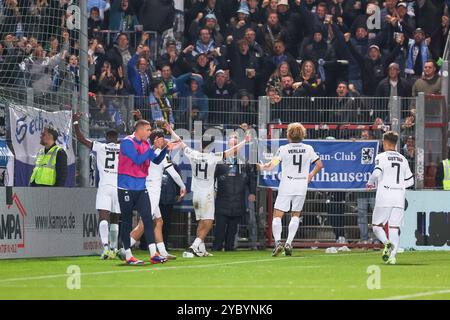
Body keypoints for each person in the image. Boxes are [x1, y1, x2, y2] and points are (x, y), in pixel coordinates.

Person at [165, 125, 250, 256]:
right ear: (211, 145)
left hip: (196, 194)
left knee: (201, 221)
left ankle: (201, 249)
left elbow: (181, 143)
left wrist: (170, 131)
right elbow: (232, 150)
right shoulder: (213, 157)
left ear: (200, 144)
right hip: (207, 195)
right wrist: (244, 141)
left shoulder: (194, 154)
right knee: (208, 222)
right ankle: (194, 246)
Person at [257, 122, 323, 256]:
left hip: (287, 183)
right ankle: (289, 242)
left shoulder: (283, 149)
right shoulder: (308, 148)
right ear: (302, 134)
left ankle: (277, 243)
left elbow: (271, 166)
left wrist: (262, 167)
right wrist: (310, 175)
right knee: (296, 214)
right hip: (301, 184)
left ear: (289, 135)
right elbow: (319, 164)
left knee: (277, 214)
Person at [117, 119, 176, 265]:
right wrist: (152, 148)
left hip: (141, 187)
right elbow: (137, 160)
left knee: (148, 220)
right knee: (126, 221)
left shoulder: (144, 144)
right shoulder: (127, 142)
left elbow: (155, 161)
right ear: (140, 130)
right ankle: (128, 255)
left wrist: (165, 150)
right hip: (126, 187)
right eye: (148, 130)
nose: (150, 133)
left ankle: (153, 254)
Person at [128, 128, 187, 260]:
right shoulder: (160, 153)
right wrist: (182, 186)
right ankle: (125, 249)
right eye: (162, 138)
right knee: (144, 224)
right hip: (152, 192)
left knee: (159, 221)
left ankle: (162, 252)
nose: (164, 140)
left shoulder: (147, 150)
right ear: (156, 140)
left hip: (146, 189)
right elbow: (172, 172)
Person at [72, 112, 121, 260]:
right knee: (115, 219)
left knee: (103, 217)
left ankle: (105, 247)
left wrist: (76, 123)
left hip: (105, 186)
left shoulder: (100, 147)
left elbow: (81, 139)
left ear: (107, 138)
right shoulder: (122, 148)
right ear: (117, 139)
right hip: (118, 187)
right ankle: (114, 248)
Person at [367, 131, 414, 265]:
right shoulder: (403, 159)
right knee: (394, 228)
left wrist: (370, 182)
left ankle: (387, 243)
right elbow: (410, 181)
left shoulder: (381, 157)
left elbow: (377, 172)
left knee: (376, 226)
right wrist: (399, 186)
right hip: (399, 196)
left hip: (385, 195)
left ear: (386, 143)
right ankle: (393, 257)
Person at [213, 133, 256, 251]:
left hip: (238, 201)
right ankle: (216, 247)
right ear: (228, 145)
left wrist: (252, 192)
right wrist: (212, 190)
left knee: (233, 229)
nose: (235, 147)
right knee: (220, 228)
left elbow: (252, 178)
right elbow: (211, 177)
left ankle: (229, 248)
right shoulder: (220, 161)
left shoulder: (245, 162)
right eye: (232, 144)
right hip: (222, 200)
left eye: (236, 144)